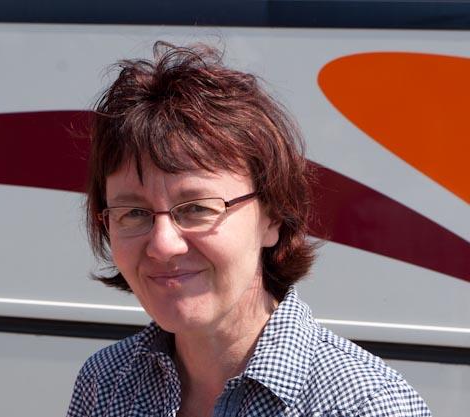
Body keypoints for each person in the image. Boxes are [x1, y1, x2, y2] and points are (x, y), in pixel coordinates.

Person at [67, 42, 431, 417]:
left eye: (196, 208)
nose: (163, 244)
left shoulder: (364, 405)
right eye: (134, 213)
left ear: (272, 218)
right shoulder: (106, 381)